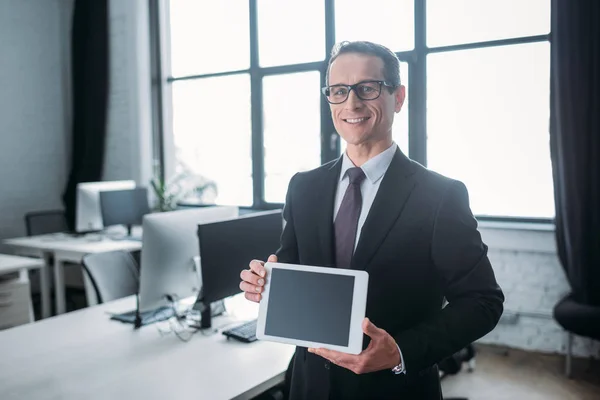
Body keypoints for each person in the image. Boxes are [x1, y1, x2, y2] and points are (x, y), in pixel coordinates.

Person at [239, 41, 504, 400]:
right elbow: (294, 264)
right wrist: (267, 282)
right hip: (309, 384)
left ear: (398, 97)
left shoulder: (440, 196)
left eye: (368, 88)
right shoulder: (304, 187)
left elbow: (482, 301)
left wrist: (400, 351)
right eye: (338, 90)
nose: (352, 103)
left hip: (395, 389)